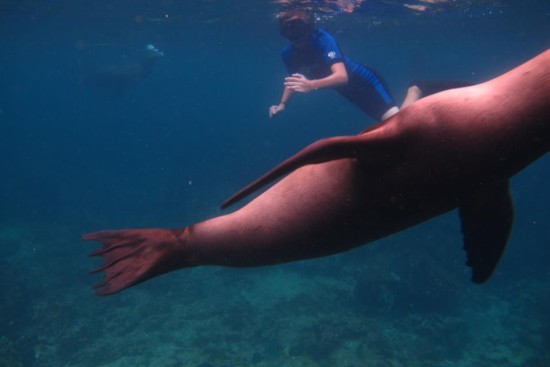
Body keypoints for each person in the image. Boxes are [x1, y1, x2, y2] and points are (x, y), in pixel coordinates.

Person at [269, 10, 399, 122]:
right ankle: (416, 92)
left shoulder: (321, 39)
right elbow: (295, 80)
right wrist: (282, 104)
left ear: (308, 26)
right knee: (391, 122)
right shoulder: (287, 54)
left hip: (366, 82)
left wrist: (311, 85)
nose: (294, 35)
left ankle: (415, 88)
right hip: (347, 91)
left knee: (395, 122)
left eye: (298, 27)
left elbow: (342, 77)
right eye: (288, 30)